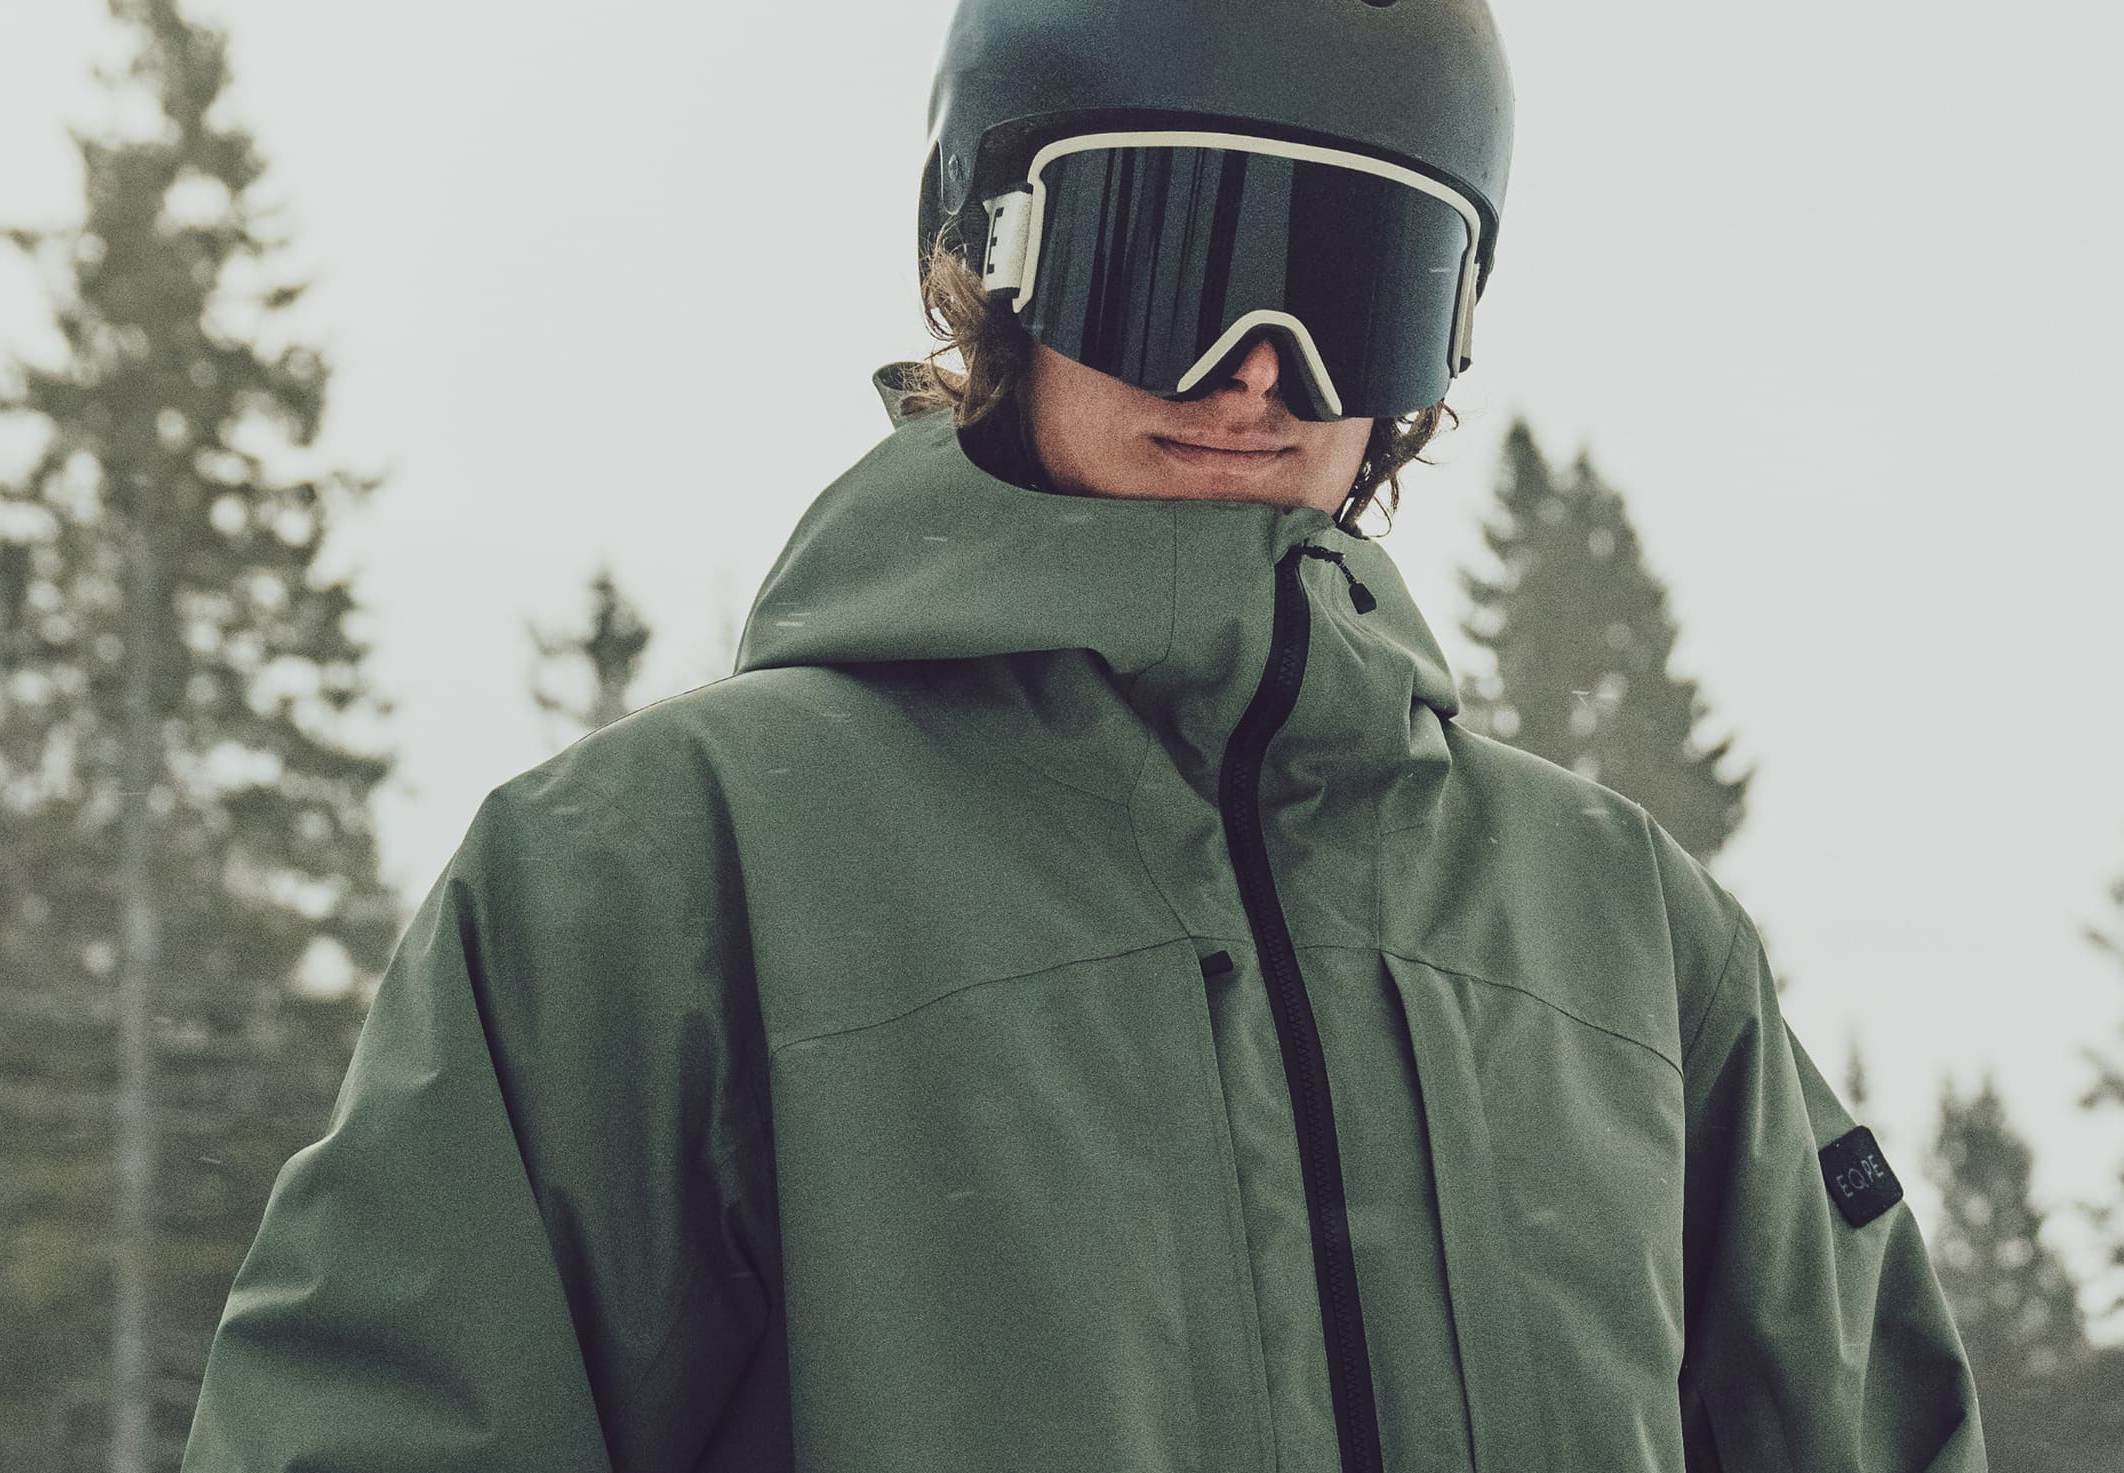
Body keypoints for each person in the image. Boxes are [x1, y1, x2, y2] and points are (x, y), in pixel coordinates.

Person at [180, 1, 1985, 1469]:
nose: (1256, 368)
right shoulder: (658, 874)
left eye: (1349, 278)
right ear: (998, 272)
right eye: (1179, 255)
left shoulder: (1623, 932)